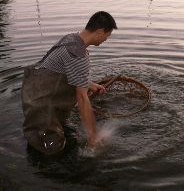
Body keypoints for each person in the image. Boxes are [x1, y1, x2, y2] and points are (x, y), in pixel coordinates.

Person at [21, 11, 117, 155]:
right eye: (107, 36)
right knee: (51, 151)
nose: (106, 39)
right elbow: (83, 99)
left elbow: (62, 70)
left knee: (48, 138)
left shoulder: (71, 38)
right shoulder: (78, 55)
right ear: (99, 32)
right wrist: (93, 136)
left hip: (33, 92)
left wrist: (89, 84)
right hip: (42, 106)